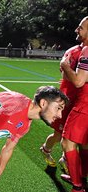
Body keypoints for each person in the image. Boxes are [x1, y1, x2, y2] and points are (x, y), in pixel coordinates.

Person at [40, 40, 83, 174]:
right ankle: (46, 150)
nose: (77, 30)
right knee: (59, 135)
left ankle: (65, 159)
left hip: (81, 102)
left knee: (76, 136)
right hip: (68, 100)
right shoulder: (73, 51)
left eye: (81, 28)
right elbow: (65, 74)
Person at [60, 16, 88, 192]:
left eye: (81, 28)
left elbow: (79, 81)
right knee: (85, 143)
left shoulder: (86, 51)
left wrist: (65, 65)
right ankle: (81, 176)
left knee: (67, 143)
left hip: (85, 104)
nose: (78, 30)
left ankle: (78, 186)